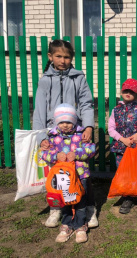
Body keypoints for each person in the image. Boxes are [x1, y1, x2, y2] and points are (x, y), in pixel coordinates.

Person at [33, 39, 98, 229]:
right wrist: (41, 137)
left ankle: (88, 208)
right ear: (50, 57)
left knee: (80, 171)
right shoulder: (45, 80)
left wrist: (87, 127)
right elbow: (39, 110)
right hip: (53, 135)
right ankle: (57, 208)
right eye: (59, 56)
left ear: (72, 58)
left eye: (67, 57)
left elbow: (86, 103)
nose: (63, 60)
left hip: (75, 133)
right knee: (57, 173)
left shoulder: (78, 78)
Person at [41, 103, 96, 243]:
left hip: (80, 175)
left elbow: (91, 149)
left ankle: (80, 226)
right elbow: (45, 153)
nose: (65, 125)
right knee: (64, 201)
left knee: (79, 201)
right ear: (56, 122)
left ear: (74, 121)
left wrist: (77, 154)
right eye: (61, 122)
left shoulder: (81, 134)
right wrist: (56, 155)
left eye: (68, 122)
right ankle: (66, 225)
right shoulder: (52, 136)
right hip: (61, 177)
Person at [108, 78, 137, 214]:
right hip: (122, 149)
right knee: (125, 174)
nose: (128, 93)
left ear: (136, 94)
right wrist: (122, 139)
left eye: (131, 91)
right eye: (126, 90)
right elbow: (111, 129)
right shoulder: (115, 110)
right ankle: (128, 198)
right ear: (121, 91)